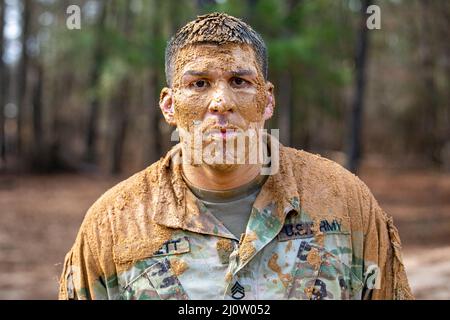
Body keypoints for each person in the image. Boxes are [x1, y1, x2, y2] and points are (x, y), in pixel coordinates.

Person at [59, 12, 413, 300]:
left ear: (268, 99)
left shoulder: (345, 203)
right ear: (169, 105)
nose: (221, 102)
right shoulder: (113, 225)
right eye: (199, 84)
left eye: (239, 82)